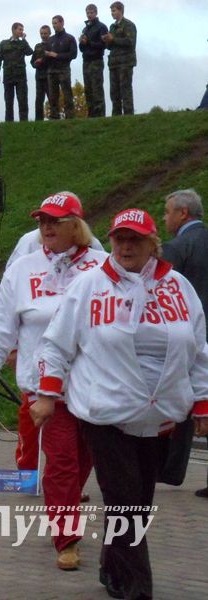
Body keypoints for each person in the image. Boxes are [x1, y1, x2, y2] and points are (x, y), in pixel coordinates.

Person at [34, 208, 208, 599]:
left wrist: (202, 403)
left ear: (152, 243)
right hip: (105, 413)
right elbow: (56, 344)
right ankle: (138, 589)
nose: (126, 246)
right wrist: (47, 395)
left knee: (137, 506)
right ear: (110, 240)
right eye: (119, 239)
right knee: (125, 503)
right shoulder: (88, 287)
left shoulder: (178, 286)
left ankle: (112, 570)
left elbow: (198, 350)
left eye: (135, 239)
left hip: (159, 417)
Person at [0, 192, 108, 570]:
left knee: (87, 458)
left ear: (76, 226)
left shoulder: (102, 266)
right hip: (45, 389)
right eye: (42, 221)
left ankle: (65, 506)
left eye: (56, 221)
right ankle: (66, 539)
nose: (46, 228)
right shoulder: (23, 269)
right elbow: (1, 324)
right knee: (62, 460)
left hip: (97, 385)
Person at [161, 189, 208, 498]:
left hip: (190, 335)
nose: (164, 218)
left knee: (179, 400)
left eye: (166, 212)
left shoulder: (177, 248)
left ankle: (169, 469)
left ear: (183, 214)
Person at [6, 223, 105, 269]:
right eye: (43, 220)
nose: (48, 226)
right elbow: (10, 276)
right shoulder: (29, 240)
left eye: (55, 220)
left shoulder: (92, 243)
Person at [0, 23, 33, 122]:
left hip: (20, 76)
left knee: (23, 100)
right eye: (20, 29)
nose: (22, 31)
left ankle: (24, 123)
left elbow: (29, 52)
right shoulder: (4, 43)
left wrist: (24, 40)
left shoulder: (22, 43)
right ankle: (9, 123)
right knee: (8, 101)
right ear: (14, 30)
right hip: (8, 76)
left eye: (22, 29)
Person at [104, 1, 137, 116]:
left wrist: (114, 39)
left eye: (114, 11)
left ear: (120, 10)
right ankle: (116, 116)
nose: (112, 13)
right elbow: (109, 46)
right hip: (113, 63)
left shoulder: (128, 25)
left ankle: (128, 115)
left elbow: (130, 42)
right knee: (114, 92)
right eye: (111, 11)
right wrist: (107, 41)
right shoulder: (112, 26)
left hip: (125, 62)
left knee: (125, 90)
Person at [45, 15, 78, 119]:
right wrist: (44, 56)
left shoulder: (69, 38)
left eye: (55, 23)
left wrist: (57, 55)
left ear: (62, 23)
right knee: (52, 96)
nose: (54, 25)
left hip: (63, 70)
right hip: (51, 70)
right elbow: (46, 55)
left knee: (67, 94)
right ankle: (54, 116)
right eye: (53, 23)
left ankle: (70, 116)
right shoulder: (50, 40)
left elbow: (73, 54)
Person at [79, 4, 109, 117]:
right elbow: (81, 48)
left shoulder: (101, 27)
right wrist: (82, 42)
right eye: (88, 13)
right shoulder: (85, 28)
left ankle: (100, 115)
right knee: (88, 89)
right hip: (86, 61)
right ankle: (91, 115)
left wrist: (89, 42)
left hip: (96, 60)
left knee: (97, 89)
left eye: (91, 13)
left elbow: (103, 45)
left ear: (96, 13)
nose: (89, 15)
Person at [31, 25, 52, 121]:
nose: (43, 35)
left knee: (52, 98)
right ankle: (38, 120)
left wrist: (42, 61)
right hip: (39, 76)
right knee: (39, 99)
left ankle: (54, 118)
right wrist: (36, 64)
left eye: (45, 33)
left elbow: (53, 58)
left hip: (50, 75)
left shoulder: (52, 44)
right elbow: (32, 61)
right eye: (41, 34)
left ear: (49, 33)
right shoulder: (38, 46)